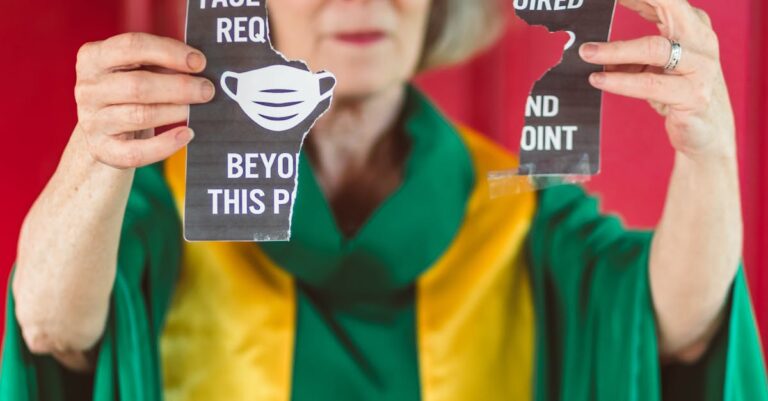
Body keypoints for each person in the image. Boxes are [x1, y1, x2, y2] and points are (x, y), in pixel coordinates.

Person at [2, 0, 767, 400]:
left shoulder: (517, 211)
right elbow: (50, 323)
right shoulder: (171, 199)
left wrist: (711, 152)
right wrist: (95, 153)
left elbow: (678, 322)